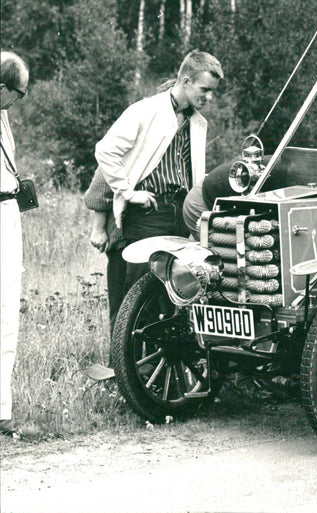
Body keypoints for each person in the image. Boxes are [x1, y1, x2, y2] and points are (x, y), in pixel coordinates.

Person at [95, 50, 223, 293]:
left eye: (212, 91)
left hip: (181, 214)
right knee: (138, 291)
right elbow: (106, 150)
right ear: (186, 81)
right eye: (204, 89)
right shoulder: (145, 110)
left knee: (174, 291)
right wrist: (128, 192)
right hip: (147, 213)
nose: (209, 98)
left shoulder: (195, 122)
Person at [0, 50, 38, 437]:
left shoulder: (2, 115)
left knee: (7, 311)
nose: (19, 101)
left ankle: (1, 409)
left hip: (7, 213)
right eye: (18, 94)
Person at [84, 168, 126, 331]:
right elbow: (100, 192)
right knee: (122, 309)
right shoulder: (126, 145)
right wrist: (98, 228)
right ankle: (120, 356)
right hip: (123, 237)